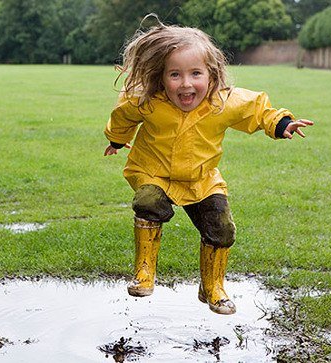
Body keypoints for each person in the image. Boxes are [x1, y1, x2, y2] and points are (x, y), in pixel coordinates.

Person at [103, 19, 313, 315]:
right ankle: (144, 271)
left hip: (201, 179)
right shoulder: (148, 101)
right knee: (148, 201)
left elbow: (256, 110)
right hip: (154, 171)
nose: (186, 83)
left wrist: (281, 123)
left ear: (211, 75)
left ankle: (212, 286)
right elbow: (122, 116)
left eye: (195, 74)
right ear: (161, 77)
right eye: (175, 75)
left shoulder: (223, 102)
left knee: (222, 229)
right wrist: (116, 139)